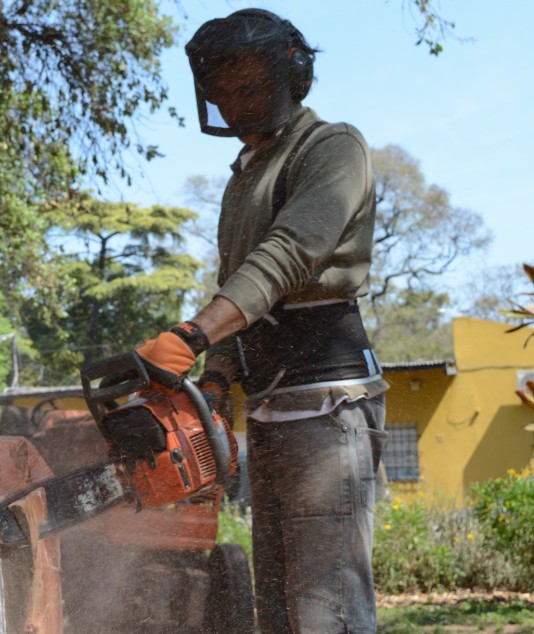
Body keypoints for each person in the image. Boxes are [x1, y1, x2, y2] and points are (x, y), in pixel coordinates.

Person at [132, 9, 388, 633]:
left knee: (327, 607)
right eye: (224, 93)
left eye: (249, 87)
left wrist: (192, 335)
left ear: (291, 74)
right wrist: (214, 380)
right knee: (274, 610)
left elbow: (288, 257)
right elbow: (239, 293)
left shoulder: (332, 146)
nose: (237, 105)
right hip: (270, 410)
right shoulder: (243, 175)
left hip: (326, 404)